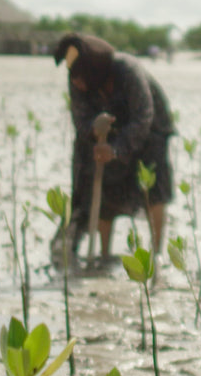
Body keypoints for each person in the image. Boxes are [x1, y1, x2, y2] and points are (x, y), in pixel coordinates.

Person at [52, 33, 176, 259]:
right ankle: (104, 252)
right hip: (105, 132)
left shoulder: (127, 70)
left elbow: (144, 116)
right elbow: (80, 120)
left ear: (94, 70)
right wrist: (94, 132)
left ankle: (156, 253)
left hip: (151, 130)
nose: (76, 81)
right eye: (73, 76)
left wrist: (117, 148)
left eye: (80, 76)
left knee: (154, 188)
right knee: (101, 187)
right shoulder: (77, 82)